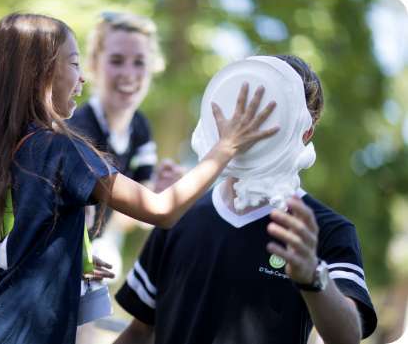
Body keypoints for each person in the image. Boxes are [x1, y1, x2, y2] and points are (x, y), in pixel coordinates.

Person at [0, 13, 278, 344]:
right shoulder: (62, 148)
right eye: (74, 64)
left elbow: (20, 231)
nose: (83, 77)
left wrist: (74, 256)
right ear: (40, 71)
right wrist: (227, 147)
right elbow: (161, 208)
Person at [118, 53, 376, 344]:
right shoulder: (179, 214)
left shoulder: (325, 229)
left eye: (270, 113)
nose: (248, 121)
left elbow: (348, 336)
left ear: (305, 133)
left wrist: (313, 277)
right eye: (245, 103)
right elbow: (138, 332)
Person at [70, 11, 164, 191]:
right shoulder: (77, 134)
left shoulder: (141, 126)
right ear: (94, 64)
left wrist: (162, 189)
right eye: (116, 61)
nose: (129, 75)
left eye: (139, 62)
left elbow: (146, 187)